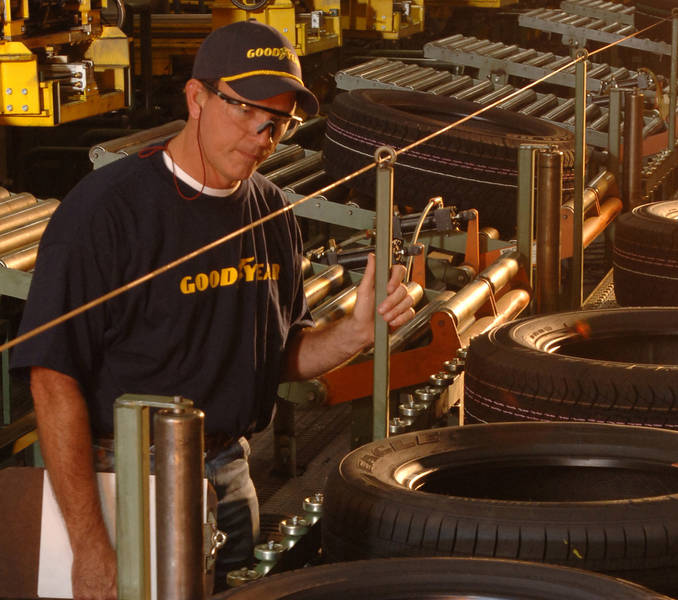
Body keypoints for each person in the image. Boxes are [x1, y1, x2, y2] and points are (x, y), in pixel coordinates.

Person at [11, 19, 416, 599]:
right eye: (246, 109)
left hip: (229, 473)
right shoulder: (105, 210)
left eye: (277, 121)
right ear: (196, 97)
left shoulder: (272, 212)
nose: (262, 133)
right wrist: (89, 544)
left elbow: (282, 355)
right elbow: (52, 379)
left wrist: (355, 333)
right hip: (127, 480)